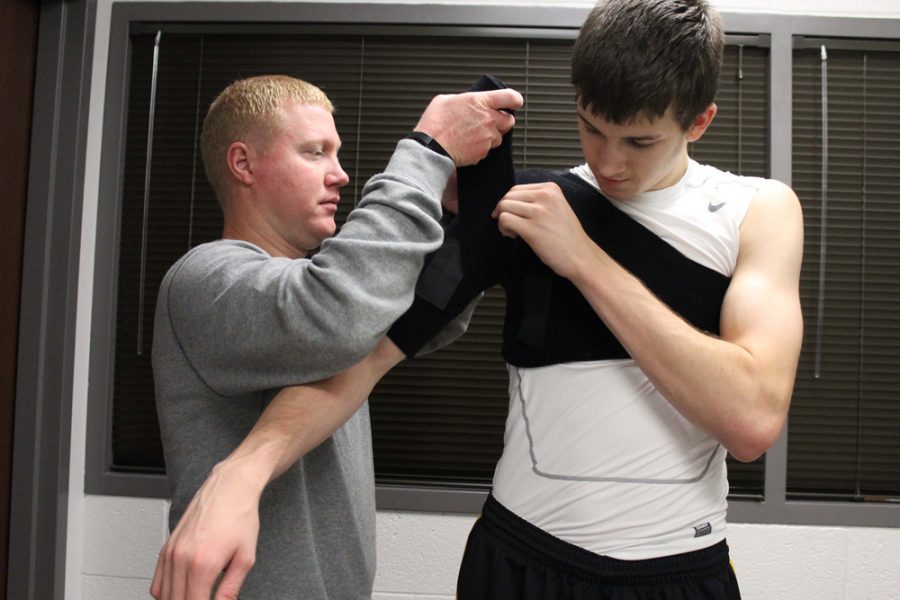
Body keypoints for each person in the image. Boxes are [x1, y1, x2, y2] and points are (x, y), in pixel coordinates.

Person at [282, 0, 803, 597]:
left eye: (638, 141)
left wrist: (583, 260)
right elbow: (365, 357)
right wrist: (239, 480)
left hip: (678, 570)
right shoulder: (528, 206)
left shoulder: (756, 211)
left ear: (699, 121)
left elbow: (752, 420)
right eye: (591, 127)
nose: (609, 162)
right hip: (521, 562)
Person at [149, 74, 522, 600]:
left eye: (337, 154)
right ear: (243, 164)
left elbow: (417, 315)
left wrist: (452, 215)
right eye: (315, 152)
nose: (341, 174)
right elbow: (338, 310)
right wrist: (428, 147)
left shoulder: (319, 298)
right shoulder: (205, 280)